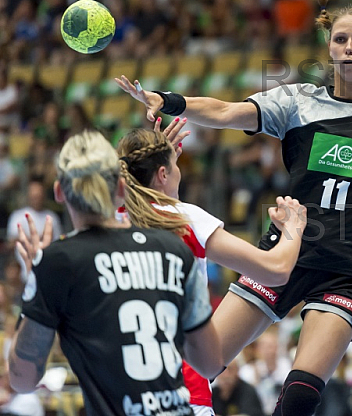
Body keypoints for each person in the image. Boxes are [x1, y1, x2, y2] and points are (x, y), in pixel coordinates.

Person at [115, 0, 352, 416]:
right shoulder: (297, 103)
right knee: (196, 367)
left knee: (299, 396)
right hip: (285, 256)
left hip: (348, 271)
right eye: (340, 39)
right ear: (329, 48)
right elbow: (224, 111)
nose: (349, 47)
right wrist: (166, 100)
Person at [8, 131, 225, 416]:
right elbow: (210, 363)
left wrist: (36, 281)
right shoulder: (174, 249)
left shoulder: (58, 263)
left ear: (59, 192)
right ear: (121, 188)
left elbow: (22, 379)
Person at [116, 122, 305, 416]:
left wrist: (156, 155)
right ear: (162, 173)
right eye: (175, 166)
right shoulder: (184, 219)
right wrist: (292, 228)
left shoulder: (107, 223)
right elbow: (276, 270)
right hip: (184, 392)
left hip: (119, 397)